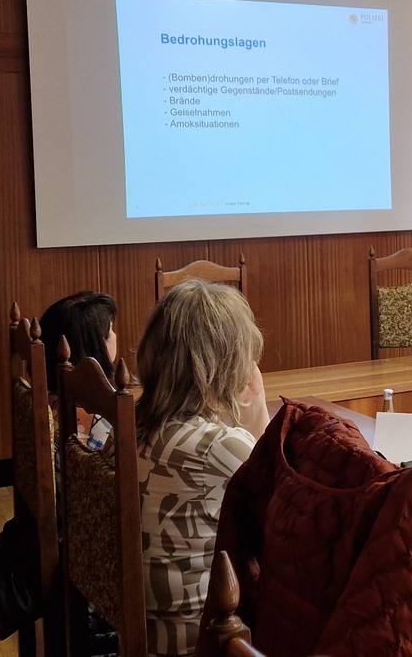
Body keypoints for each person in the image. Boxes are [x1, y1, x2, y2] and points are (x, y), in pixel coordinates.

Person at [136, 280, 269, 657]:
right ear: (228, 365)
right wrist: (257, 422)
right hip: (206, 637)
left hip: (144, 626)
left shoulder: (132, 426)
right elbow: (287, 516)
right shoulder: (221, 447)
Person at [39, 290, 119, 448]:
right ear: (96, 345)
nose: (115, 335)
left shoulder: (47, 404)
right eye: (110, 330)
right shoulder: (102, 424)